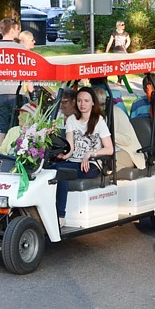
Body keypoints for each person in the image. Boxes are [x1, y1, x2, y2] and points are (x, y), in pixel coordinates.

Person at [54, 87, 114, 226]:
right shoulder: (71, 120)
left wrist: (90, 154)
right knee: (49, 169)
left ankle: (60, 216)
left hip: (92, 164)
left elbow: (109, 149)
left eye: (86, 101)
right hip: (74, 162)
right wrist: (64, 155)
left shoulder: (99, 121)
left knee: (61, 173)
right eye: (80, 100)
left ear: (93, 103)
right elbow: (71, 148)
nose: (82, 104)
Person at [0, 18, 25, 146]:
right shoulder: (21, 49)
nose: (18, 31)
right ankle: (16, 155)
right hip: (16, 92)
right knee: (17, 128)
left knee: (0, 128)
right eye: (17, 29)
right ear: (11, 30)